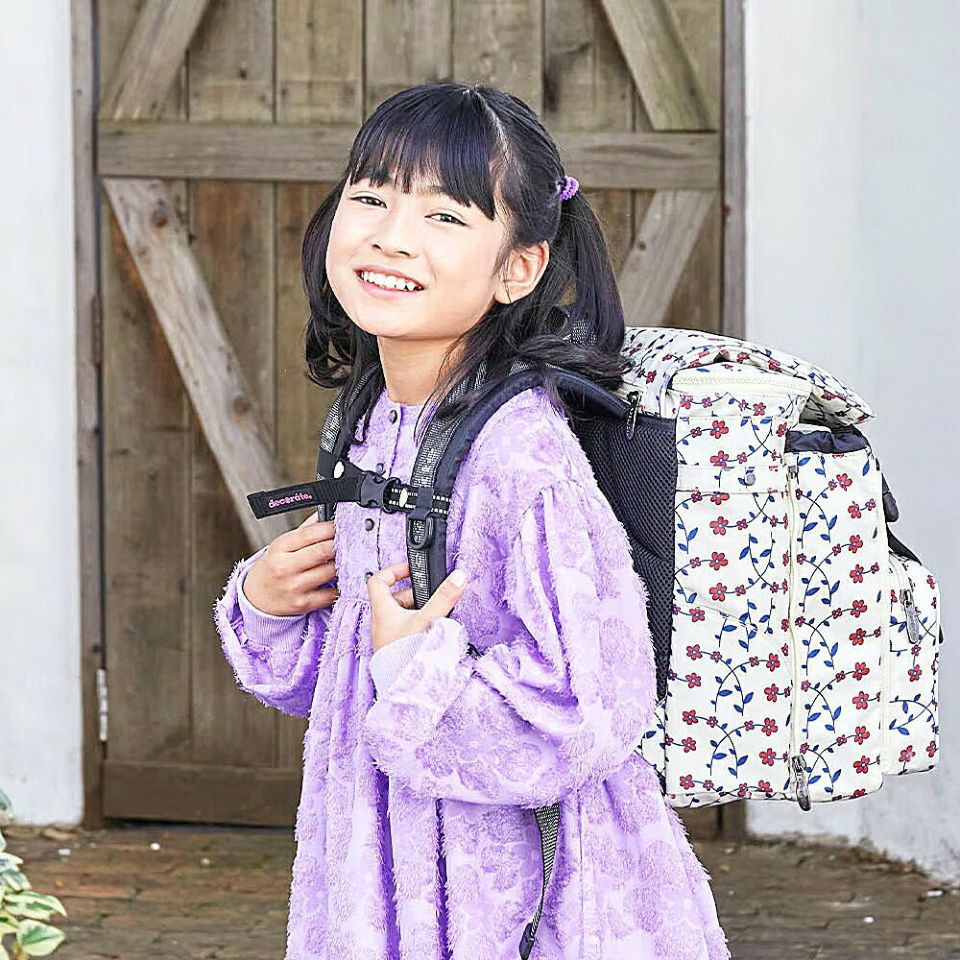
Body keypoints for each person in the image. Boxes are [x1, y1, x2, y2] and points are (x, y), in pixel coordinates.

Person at [213, 80, 730, 960]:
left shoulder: (522, 455)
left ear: (517, 268)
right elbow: (349, 689)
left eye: (445, 216)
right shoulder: (376, 419)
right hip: (381, 863)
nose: (391, 235)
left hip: (520, 891)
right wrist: (267, 604)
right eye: (371, 197)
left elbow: (587, 707)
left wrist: (414, 669)